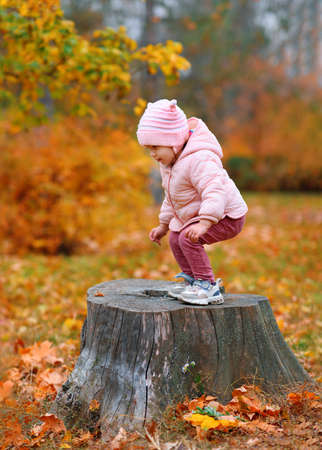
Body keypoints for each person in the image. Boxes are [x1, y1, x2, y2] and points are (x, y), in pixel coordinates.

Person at [136, 99, 248, 305]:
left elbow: (215, 190)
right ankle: (193, 281)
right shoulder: (171, 163)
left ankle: (207, 286)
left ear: (173, 141)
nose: (152, 154)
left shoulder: (199, 159)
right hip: (204, 214)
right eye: (148, 148)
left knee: (188, 239)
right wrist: (163, 225)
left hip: (226, 215)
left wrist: (205, 222)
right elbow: (173, 198)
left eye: (155, 147)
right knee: (174, 237)